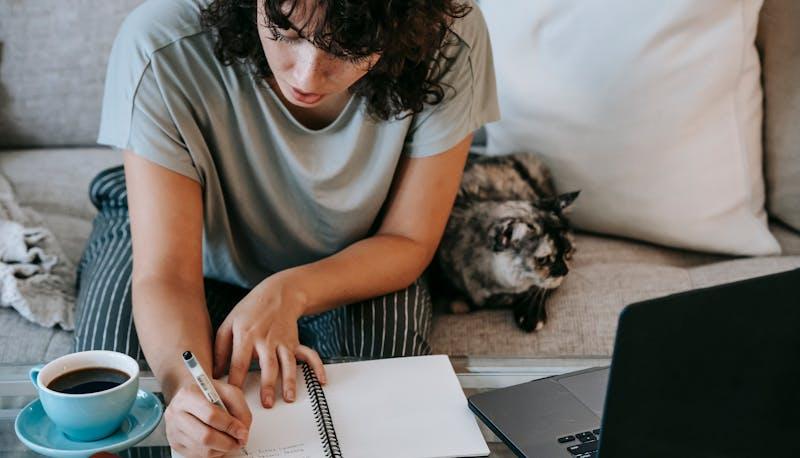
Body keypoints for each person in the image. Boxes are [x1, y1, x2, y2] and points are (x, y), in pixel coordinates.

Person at [76, 0, 499, 455]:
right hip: (189, 235)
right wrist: (186, 391)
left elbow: (409, 239)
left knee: (382, 403)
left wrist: (289, 292)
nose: (305, 77)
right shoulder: (158, 42)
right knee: (108, 402)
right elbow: (166, 273)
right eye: (287, 32)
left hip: (356, 249)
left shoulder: (448, 36)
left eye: (350, 47)